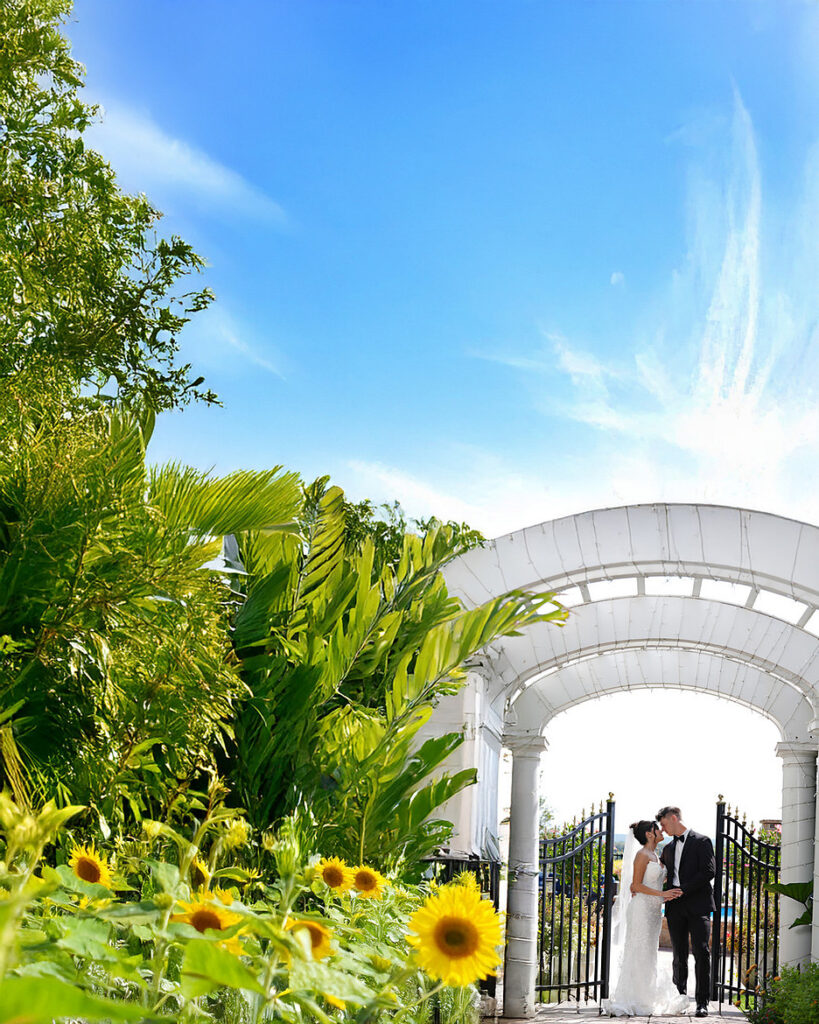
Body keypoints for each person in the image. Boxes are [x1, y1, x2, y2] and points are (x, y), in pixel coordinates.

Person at [602, 820, 689, 1017]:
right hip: (641, 910)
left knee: (650, 953)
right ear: (650, 834)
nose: (661, 831)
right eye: (657, 829)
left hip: (653, 912)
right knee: (638, 951)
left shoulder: (655, 856)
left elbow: (655, 880)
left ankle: (646, 996)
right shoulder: (641, 855)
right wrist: (663, 895)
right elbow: (636, 886)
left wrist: (667, 891)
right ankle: (635, 998)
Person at [655, 805, 716, 1018]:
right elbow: (661, 876)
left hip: (698, 905)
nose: (662, 829)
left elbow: (709, 871)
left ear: (673, 818)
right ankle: (679, 998)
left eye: (663, 824)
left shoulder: (702, 841)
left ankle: (702, 1002)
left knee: (701, 952)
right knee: (678, 955)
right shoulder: (668, 849)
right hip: (675, 908)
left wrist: (683, 890)